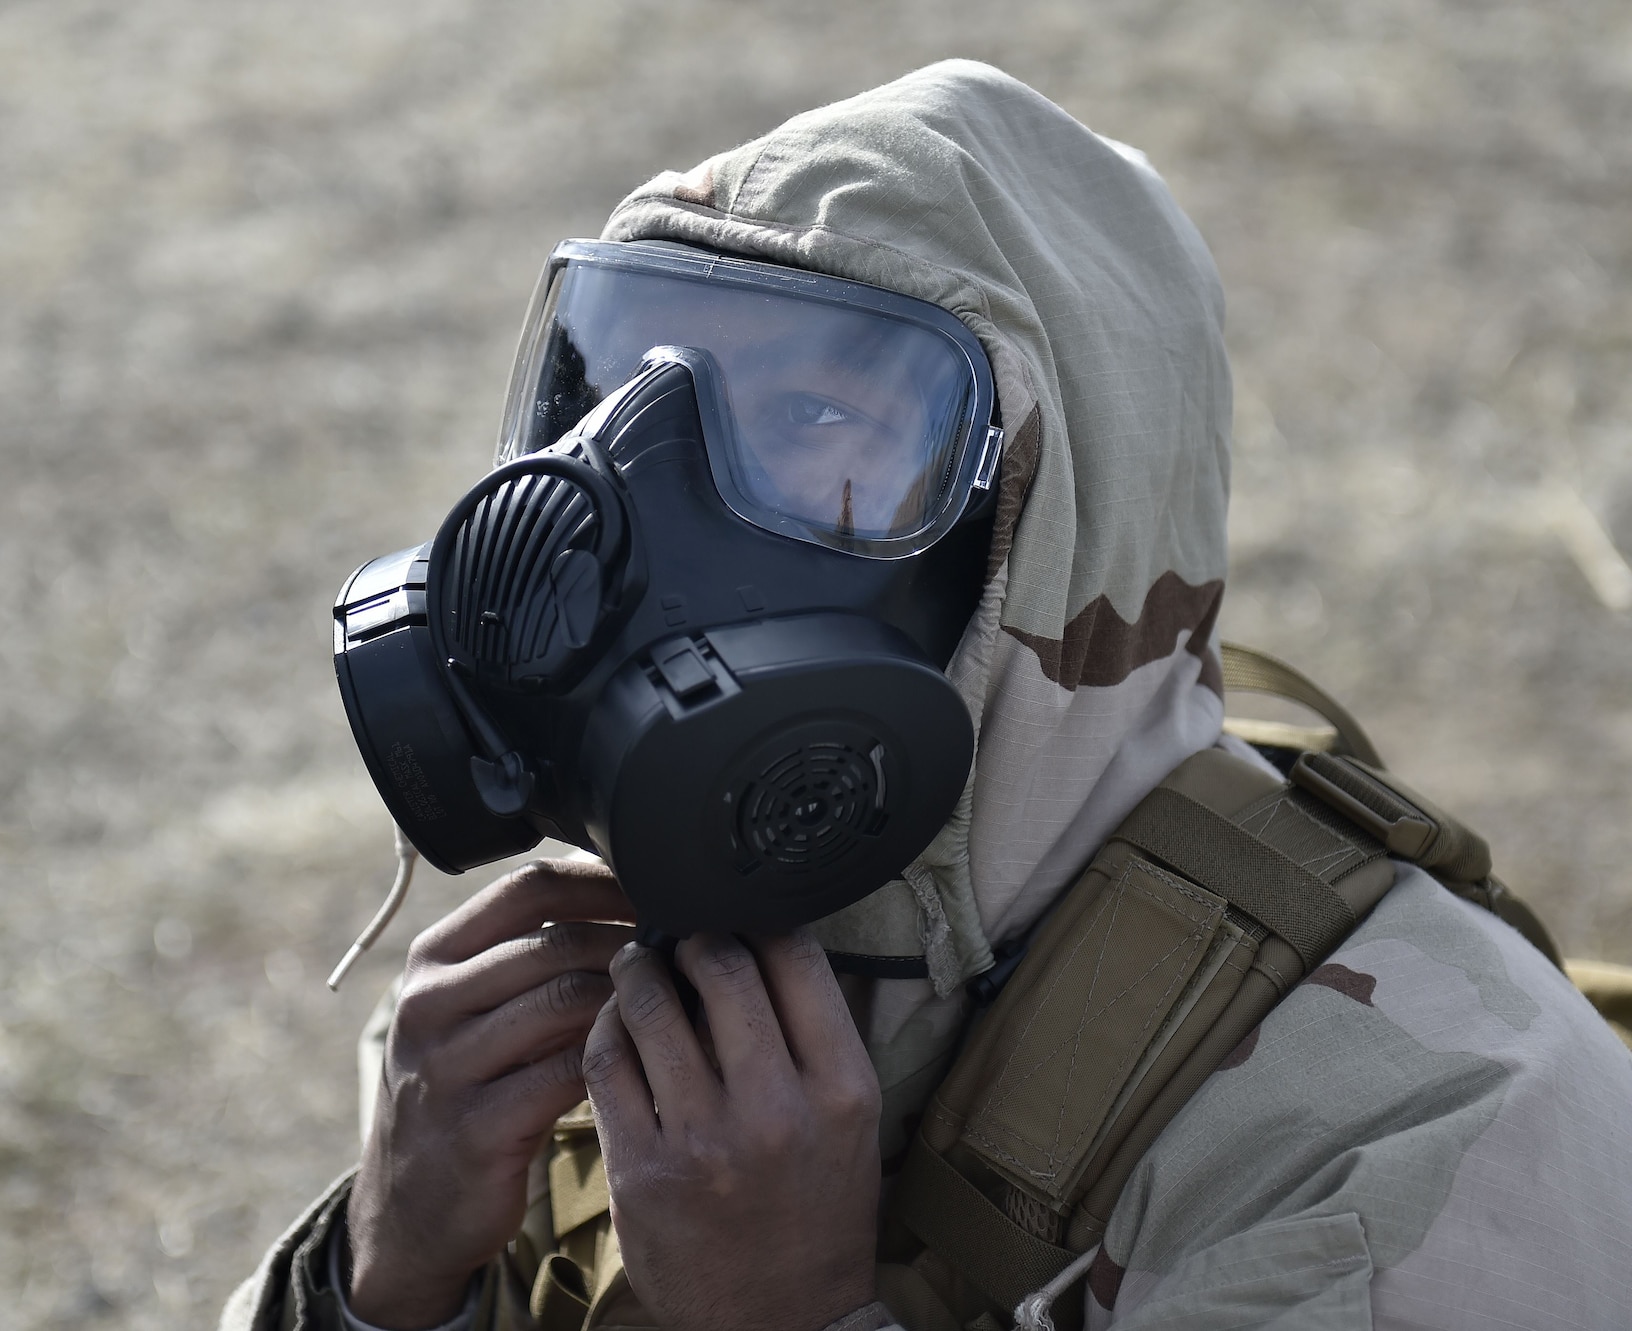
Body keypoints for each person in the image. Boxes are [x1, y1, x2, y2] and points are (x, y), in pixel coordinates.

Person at [223, 61, 1632, 1331]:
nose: (623, 504)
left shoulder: (1412, 1149)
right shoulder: (563, 995)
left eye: (820, 421)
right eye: (614, 390)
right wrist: (379, 1280)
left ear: (1050, 532)